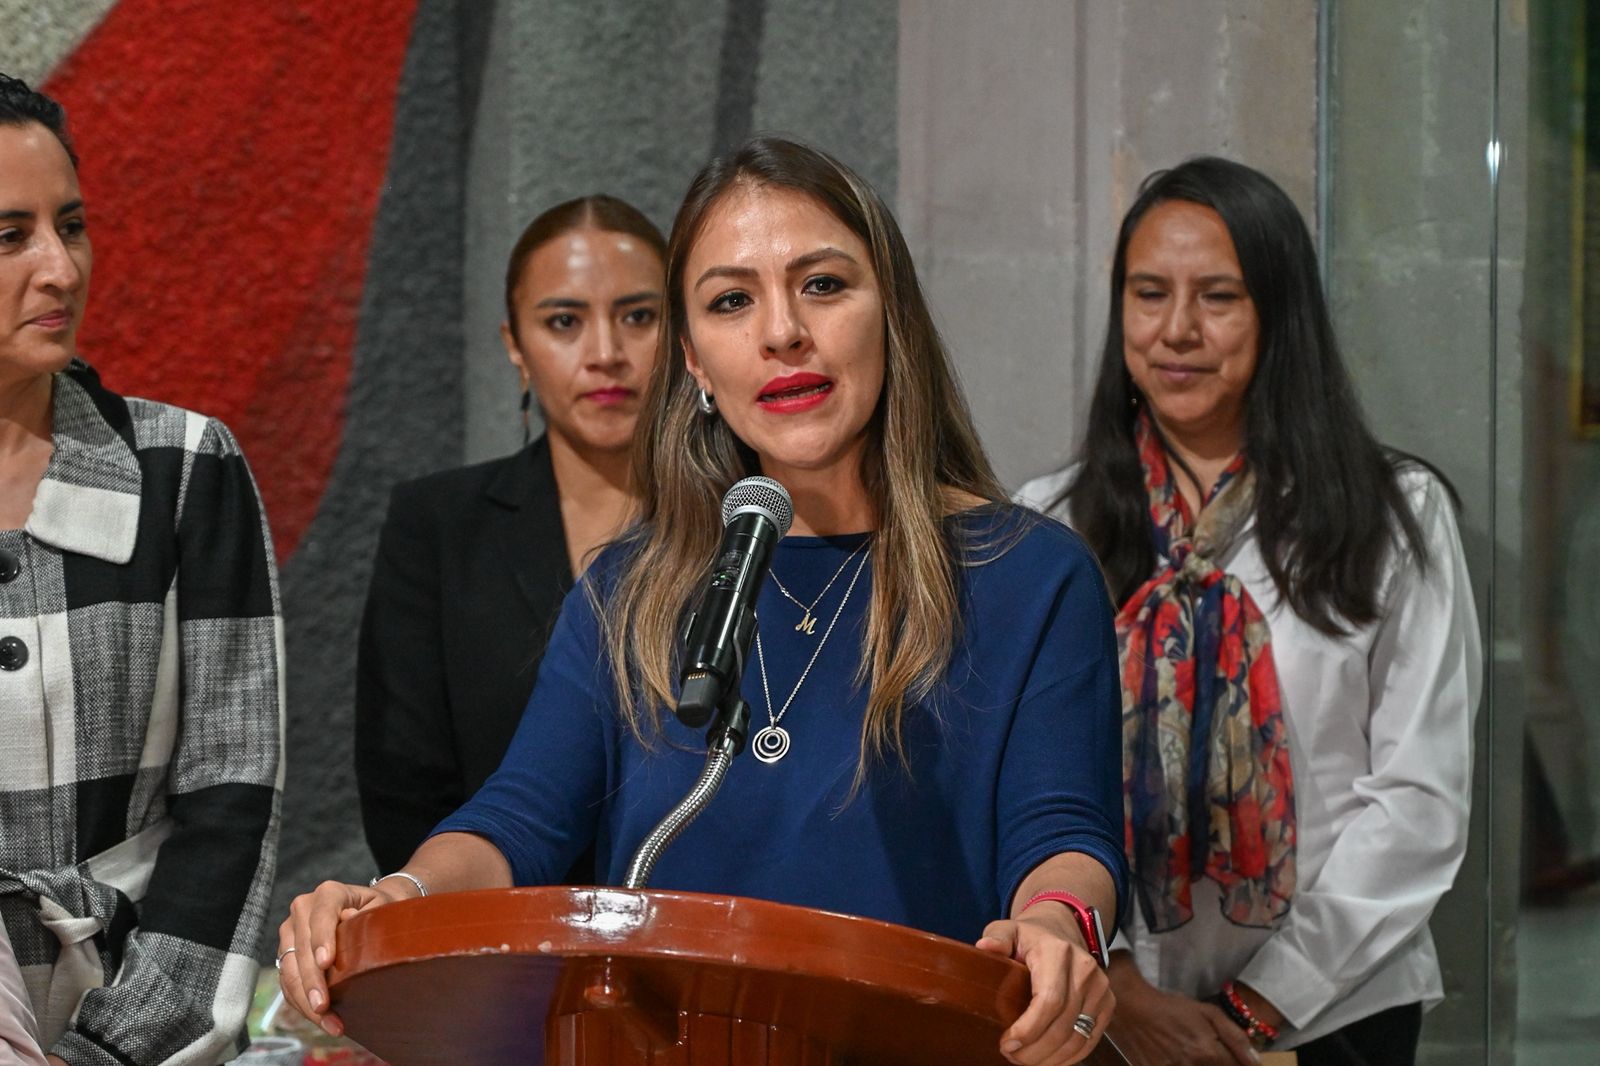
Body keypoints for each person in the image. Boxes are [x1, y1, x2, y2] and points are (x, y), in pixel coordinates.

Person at [281, 137, 1128, 1066]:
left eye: (823, 285)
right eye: (732, 301)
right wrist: (392, 899)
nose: (782, 333)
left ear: (892, 312)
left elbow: (1063, 835)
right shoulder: (630, 588)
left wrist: (1058, 926)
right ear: (692, 360)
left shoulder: (1028, 574)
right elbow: (517, 820)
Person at [1017, 156, 1481, 1066]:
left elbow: (1419, 801)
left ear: (1279, 312)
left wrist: (1260, 1006)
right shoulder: (1052, 524)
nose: (1177, 330)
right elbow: (1033, 787)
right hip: (1107, 1014)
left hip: (1336, 1010)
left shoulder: (1390, 514)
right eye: (1150, 294)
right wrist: (1120, 987)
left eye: (1219, 297)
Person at [0, 75, 283, 1065]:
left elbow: (233, 798)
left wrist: (115, 1049)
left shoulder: (184, 468)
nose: (60, 268)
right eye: (11, 236)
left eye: (71, 226)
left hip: (143, 1023)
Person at [355, 195, 665, 875]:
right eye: (564, 322)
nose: (606, 354)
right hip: (495, 921)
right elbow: (403, 793)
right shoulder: (438, 527)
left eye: (639, 317)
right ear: (516, 346)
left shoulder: (754, 518)